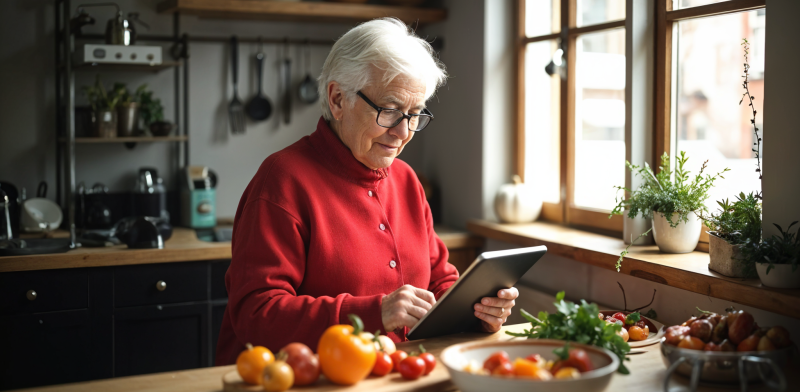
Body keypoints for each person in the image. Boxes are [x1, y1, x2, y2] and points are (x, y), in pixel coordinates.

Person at [215, 18, 519, 365]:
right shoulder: (282, 180)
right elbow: (256, 314)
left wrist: (475, 309)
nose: (403, 132)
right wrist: (376, 312)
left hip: (393, 374)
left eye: (415, 114)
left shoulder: (406, 179)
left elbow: (438, 281)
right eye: (389, 111)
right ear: (338, 99)